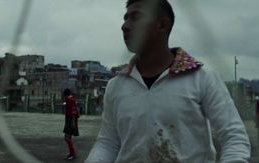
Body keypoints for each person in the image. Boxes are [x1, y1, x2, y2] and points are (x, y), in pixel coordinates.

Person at [85, 0, 250, 162]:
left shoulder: (201, 78)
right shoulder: (117, 86)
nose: (125, 26)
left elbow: (234, 136)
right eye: (125, 18)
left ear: (162, 25)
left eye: (136, 17)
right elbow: (108, 143)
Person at [63, 88, 79, 160]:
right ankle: (72, 153)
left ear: (65, 95)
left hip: (70, 120)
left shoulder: (70, 100)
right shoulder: (71, 99)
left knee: (67, 138)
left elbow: (73, 112)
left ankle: (73, 154)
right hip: (69, 120)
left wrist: (73, 122)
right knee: (68, 138)